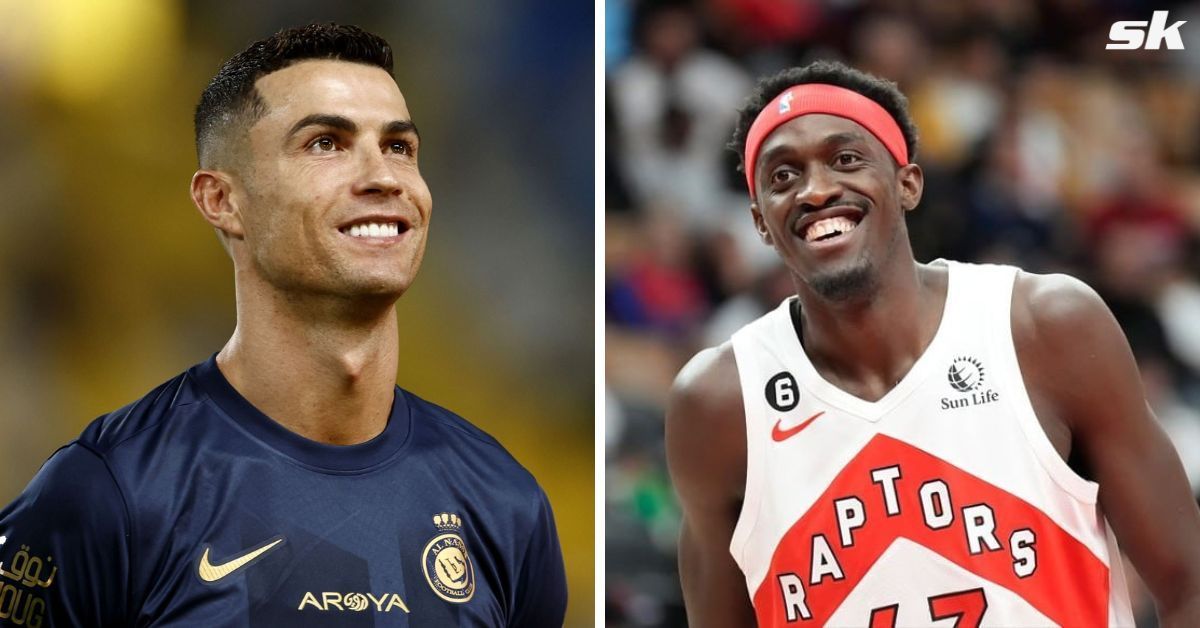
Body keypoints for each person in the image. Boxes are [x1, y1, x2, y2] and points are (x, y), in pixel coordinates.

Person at [0, 23, 566, 627]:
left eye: (399, 147)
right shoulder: (107, 492)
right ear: (222, 201)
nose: (384, 176)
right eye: (326, 143)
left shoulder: (505, 502)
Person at [665, 60, 1200, 627]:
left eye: (845, 160)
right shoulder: (718, 405)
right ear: (760, 223)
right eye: (783, 177)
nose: (816, 190)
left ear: (907, 183)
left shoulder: (1044, 328)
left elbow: (1188, 582)